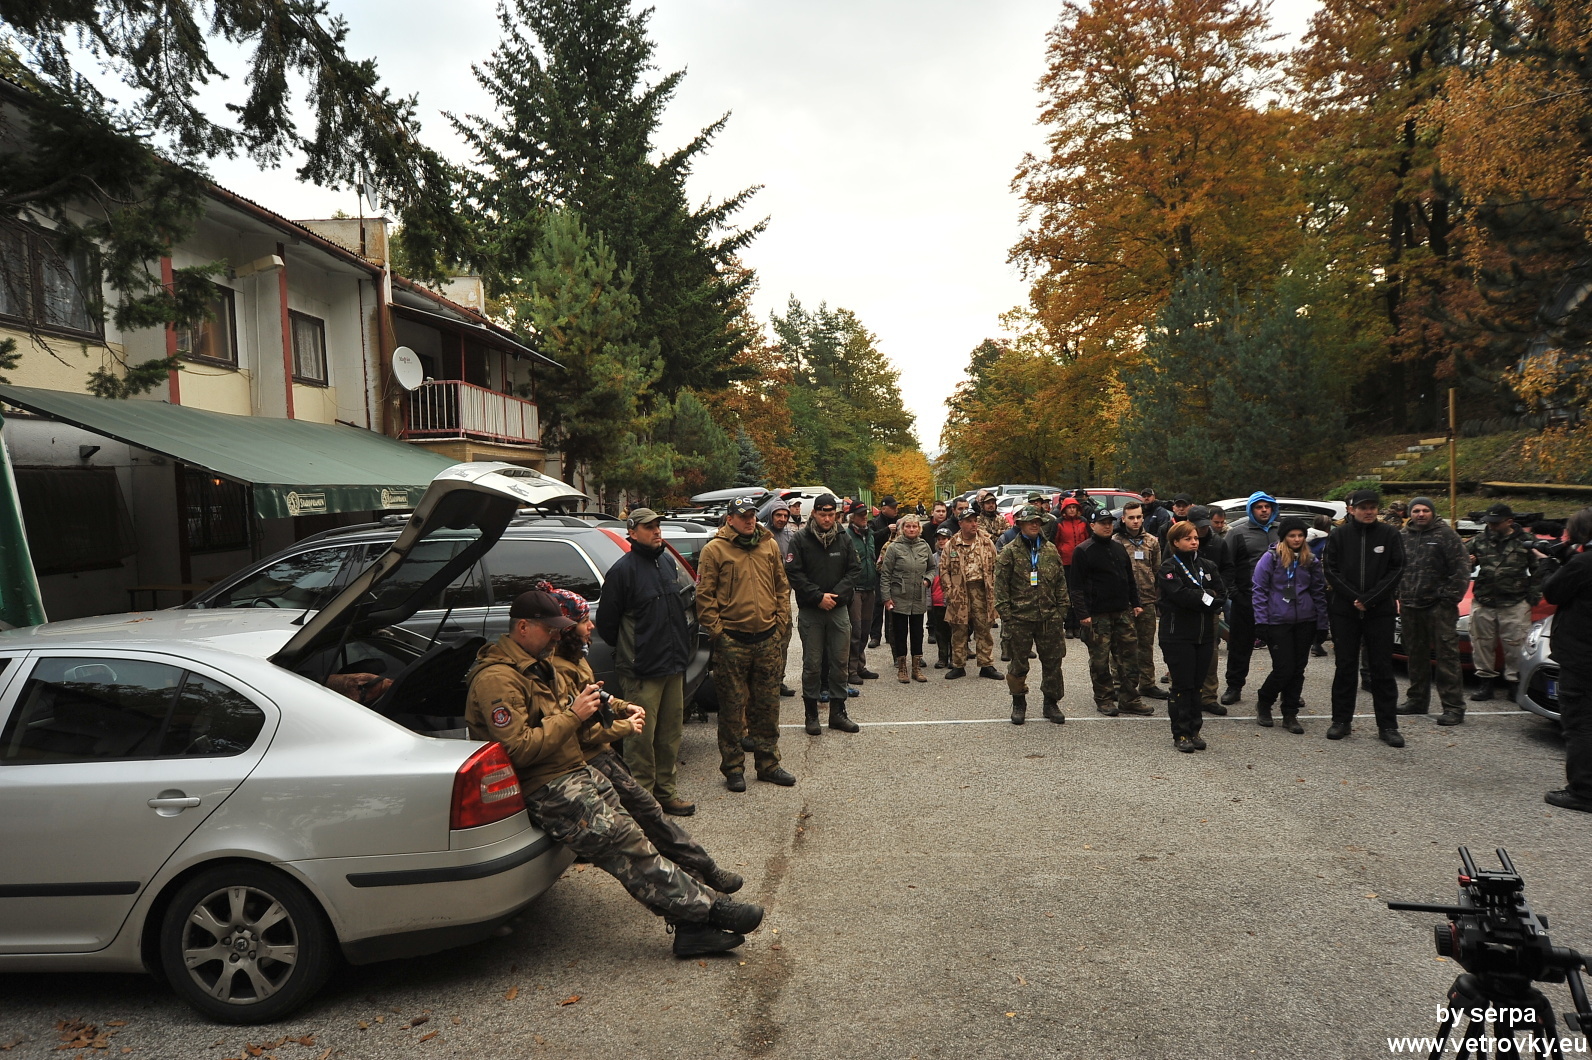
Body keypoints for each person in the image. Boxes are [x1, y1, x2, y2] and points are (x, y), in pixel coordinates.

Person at [465, 590, 763, 957]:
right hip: (547, 786)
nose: (556, 636)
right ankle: (711, 910)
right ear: (523, 627)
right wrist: (575, 715)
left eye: (559, 629)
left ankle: (692, 927)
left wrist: (603, 713)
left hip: (574, 770)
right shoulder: (498, 679)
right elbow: (517, 749)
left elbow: (572, 718)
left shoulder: (539, 665)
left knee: (633, 840)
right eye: (549, 629)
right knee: (627, 844)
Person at [546, 584, 744, 894]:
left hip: (601, 754)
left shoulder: (576, 659)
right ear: (567, 628)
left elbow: (596, 696)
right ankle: (695, 882)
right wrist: (625, 727)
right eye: (584, 621)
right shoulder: (557, 671)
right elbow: (580, 732)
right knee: (637, 826)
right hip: (586, 761)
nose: (591, 626)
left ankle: (703, 870)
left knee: (650, 814)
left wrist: (622, 706)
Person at [592, 507, 695, 816]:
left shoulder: (666, 562)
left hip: (672, 665)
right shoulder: (623, 571)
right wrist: (633, 651)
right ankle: (644, 803)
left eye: (657, 525)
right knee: (640, 739)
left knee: (669, 735)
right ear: (633, 532)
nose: (656, 531)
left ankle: (666, 793)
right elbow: (607, 623)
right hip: (642, 670)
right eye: (649, 527)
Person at [695, 498, 796, 789]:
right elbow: (704, 595)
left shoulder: (768, 545)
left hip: (767, 638)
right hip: (732, 641)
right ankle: (733, 768)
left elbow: (781, 586)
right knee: (731, 709)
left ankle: (768, 764)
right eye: (743, 516)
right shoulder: (715, 550)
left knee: (767, 708)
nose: (750, 520)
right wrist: (719, 632)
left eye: (752, 515)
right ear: (730, 519)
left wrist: (780, 624)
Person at [1323, 489, 1406, 745]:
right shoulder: (1339, 535)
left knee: (1382, 668)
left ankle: (1388, 725)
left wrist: (1370, 598)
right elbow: (1330, 569)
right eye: (1363, 507)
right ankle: (1341, 721)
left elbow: (1397, 568)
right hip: (1345, 611)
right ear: (1351, 510)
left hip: (1379, 611)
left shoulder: (1390, 534)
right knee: (1345, 667)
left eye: (1372, 507)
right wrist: (1354, 598)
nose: (1368, 511)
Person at [787, 493, 863, 734]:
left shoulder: (843, 537)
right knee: (812, 664)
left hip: (838, 609)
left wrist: (836, 595)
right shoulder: (800, 539)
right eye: (823, 514)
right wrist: (818, 597)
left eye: (831, 514)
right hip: (812, 611)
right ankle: (811, 715)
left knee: (840, 662)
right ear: (814, 514)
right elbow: (794, 573)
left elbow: (854, 569)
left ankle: (838, 713)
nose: (827, 519)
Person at [1395, 497, 1469, 725]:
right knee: (1415, 656)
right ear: (1409, 513)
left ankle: (1453, 707)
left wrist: (1448, 599)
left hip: (1439, 608)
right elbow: (1395, 567)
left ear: (1433, 513)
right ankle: (1417, 700)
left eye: (1425, 510)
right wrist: (1399, 593)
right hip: (1409, 605)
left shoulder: (1446, 536)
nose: (1420, 514)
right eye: (1416, 510)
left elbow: (1461, 569)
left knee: (1447, 658)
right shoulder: (1402, 537)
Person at [1251, 517, 1328, 734]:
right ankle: (1265, 701)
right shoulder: (1270, 558)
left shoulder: (1310, 560)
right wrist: (1261, 621)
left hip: (1305, 620)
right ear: (1284, 537)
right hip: (1278, 621)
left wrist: (1322, 623)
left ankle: (1290, 712)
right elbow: (1259, 590)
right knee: (1284, 668)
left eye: (1300, 535)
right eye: (1292, 535)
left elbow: (1318, 592)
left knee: (1298, 669)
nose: (1296, 539)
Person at [994, 505, 1069, 725]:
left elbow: (1061, 582)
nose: (1035, 525)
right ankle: (1019, 702)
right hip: (1020, 618)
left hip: (1049, 617)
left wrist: (1061, 611)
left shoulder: (1050, 550)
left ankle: (1051, 703)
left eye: (1038, 522)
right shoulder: (1009, 551)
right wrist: (1007, 615)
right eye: (1030, 522)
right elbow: (1000, 586)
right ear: (1020, 525)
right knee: (1018, 664)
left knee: (1053, 663)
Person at [1467, 503, 1549, 702]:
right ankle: (1486, 683)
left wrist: (1533, 596)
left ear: (1509, 521)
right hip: (1484, 600)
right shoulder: (1478, 541)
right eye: (1489, 522)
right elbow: (1460, 565)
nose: (1491, 526)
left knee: (1515, 646)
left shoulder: (1526, 541)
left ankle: (1514, 683)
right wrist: (1469, 563)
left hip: (1515, 601)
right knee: (1481, 644)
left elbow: (1540, 569)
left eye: (1496, 522)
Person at [1071, 508, 1148, 716]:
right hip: (1097, 615)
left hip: (1122, 611)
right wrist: (1082, 614)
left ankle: (1129, 699)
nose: (1107, 526)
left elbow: (1129, 578)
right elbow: (1076, 587)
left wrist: (1136, 602)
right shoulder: (1083, 551)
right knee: (1100, 660)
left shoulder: (1118, 548)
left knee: (1129, 657)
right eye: (1102, 523)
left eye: (1109, 523)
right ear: (1092, 525)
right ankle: (1104, 698)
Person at [1158, 521, 1226, 752]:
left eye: (1195, 538)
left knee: (1197, 685)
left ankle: (1195, 730)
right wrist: (1206, 596)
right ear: (1176, 542)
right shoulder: (1169, 568)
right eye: (1188, 538)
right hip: (1177, 636)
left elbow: (1221, 595)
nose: (1194, 542)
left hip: (1204, 635)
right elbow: (1180, 596)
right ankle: (1181, 732)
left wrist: (1202, 597)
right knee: (1182, 685)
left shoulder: (1207, 565)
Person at [1544, 508, 1592, 812]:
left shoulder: (1584, 563)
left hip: (1582, 657)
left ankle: (1583, 791)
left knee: (1580, 724)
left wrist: (1548, 565)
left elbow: (1552, 592)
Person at [1219, 491, 1281, 706]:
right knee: (1239, 647)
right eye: (1259, 507)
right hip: (1246, 599)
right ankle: (1234, 687)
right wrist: (1234, 593)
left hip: (1277, 602)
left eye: (1267, 507)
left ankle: (1286, 686)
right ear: (1251, 510)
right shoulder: (1237, 533)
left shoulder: (1281, 531)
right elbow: (1226, 566)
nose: (1264, 510)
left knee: (1282, 648)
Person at [1114, 500, 1167, 702]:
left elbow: (1157, 569)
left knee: (1146, 644)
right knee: (1122, 646)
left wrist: (1154, 594)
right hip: (1123, 602)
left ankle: (1147, 683)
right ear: (1123, 519)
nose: (1135, 521)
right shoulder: (1116, 541)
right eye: (1131, 518)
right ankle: (1120, 684)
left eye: (1138, 517)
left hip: (1146, 600)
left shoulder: (1152, 541)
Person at [940, 514, 1002, 680]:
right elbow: (944, 569)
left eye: (975, 521)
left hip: (982, 590)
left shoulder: (986, 542)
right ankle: (958, 665)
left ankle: (986, 665)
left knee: (984, 628)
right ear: (960, 523)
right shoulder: (952, 544)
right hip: (960, 590)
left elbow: (996, 566)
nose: (974, 524)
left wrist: (995, 588)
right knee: (959, 629)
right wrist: (949, 591)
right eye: (969, 521)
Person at [1185, 506, 1229, 713]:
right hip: (1186, 608)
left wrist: (1218, 593)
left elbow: (1228, 569)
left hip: (1210, 607)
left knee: (1210, 653)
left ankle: (1209, 696)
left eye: (1204, 526)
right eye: (1197, 527)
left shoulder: (1218, 543)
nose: (1201, 531)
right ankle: (1186, 694)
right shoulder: (1178, 543)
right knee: (1185, 653)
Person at [881, 513, 933, 683]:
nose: (911, 529)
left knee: (918, 632)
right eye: (908, 526)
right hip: (899, 596)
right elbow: (885, 574)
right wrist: (886, 597)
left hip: (918, 596)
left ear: (919, 528)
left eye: (914, 526)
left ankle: (916, 668)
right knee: (900, 633)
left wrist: (927, 580)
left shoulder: (924, 546)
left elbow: (932, 568)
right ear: (902, 529)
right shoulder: (894, 547)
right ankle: (902, 668)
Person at [844, 502, 882, 683]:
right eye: (860, 514)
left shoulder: (870, 535)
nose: (864, 517)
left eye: (865, 514)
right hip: (855, 589)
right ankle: (851, 670)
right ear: (852, 517)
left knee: (865, 630)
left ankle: (860, 666)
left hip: (869, 588)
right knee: (855, 631)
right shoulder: (846, 536)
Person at [764, 500, 799, 698]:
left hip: (784, 596)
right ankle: (767, 683)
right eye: (778, 515)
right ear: (771, 516)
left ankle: (779, 680)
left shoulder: (790, 536)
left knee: (785, 638)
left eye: (785, 516)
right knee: (769, 642)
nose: (782, 519)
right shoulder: (762, 536)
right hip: (765, 597)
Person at [868, 496, 900, 648]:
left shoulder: (900, 521)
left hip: (895, 568)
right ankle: (875, 636)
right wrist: (886, 530)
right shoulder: (874, 523)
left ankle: (890, 634)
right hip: (878, 568)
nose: (895, 510)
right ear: (883, 508)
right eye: (892, 508)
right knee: (878, 602)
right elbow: (870, 538)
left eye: (896, 507)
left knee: (892, 602)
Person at [928, 526, 953, 668]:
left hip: (953, 599)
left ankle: (954, 656)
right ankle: (942, 657)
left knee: (954, 630)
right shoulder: (932, 558)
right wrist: (929, 600)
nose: (941, 541)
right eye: (939, 539)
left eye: (944, 538)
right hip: (937, 599)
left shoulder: (955, 556)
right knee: (940, 630)